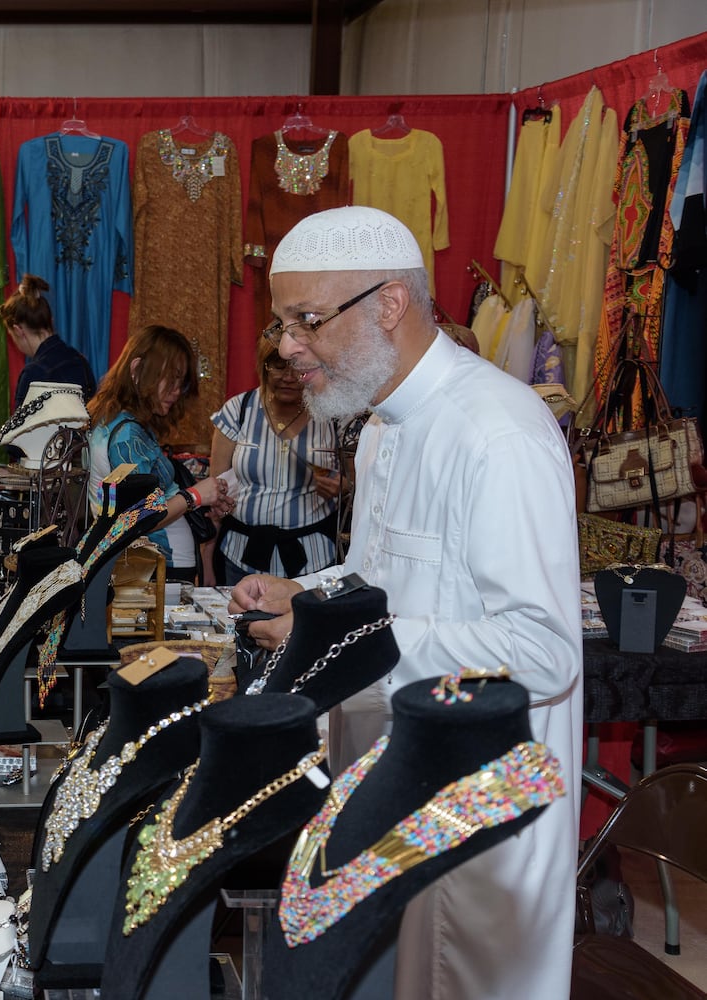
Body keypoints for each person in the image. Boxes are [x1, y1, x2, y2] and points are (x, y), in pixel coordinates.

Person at [230, 206, 580, 1000]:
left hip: (474, 809)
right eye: (285, 322)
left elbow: (543, 650)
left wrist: (358, 639)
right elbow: (376, 582)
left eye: (306, 320)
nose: (288, 346)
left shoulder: (500, 433)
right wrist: (306, 595)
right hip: (391, 783)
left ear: (389, 304)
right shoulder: (385, 424)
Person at [86, 325, 233, 582]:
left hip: (155, 565)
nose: (177, 391)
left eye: (181, 382)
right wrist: (196, 496)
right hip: (155, 567)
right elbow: (140, 516)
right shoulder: (127, 434)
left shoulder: (117, 423)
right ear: (136, 370)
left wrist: (202, 496)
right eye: (171, 379)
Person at [208, 336, 342, 586]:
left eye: (298, 367)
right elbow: (216, 491)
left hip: (313, 559)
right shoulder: (238, 410)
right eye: (279, 366)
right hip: (241, 556)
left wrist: (341, 487)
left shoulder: (332, 413)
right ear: (263, 366)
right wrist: (206, 557)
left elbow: (358, 483)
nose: (289, 377)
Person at [0, 274, 96, 407]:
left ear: (18, 330)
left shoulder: (33, 375)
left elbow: (21, 427)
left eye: (11, 335)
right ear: (49, 320)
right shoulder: (80, 361)